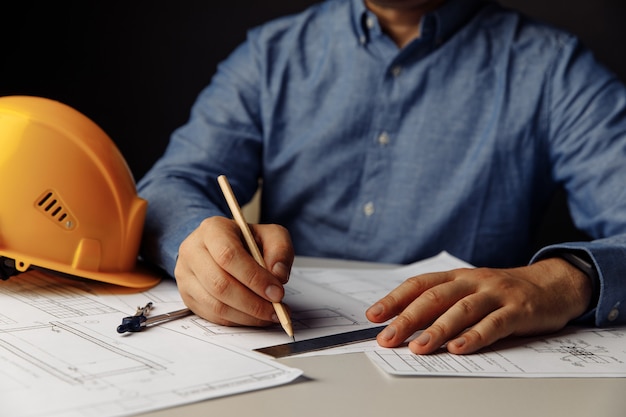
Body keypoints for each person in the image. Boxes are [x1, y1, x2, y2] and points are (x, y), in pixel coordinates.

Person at [137, 0, 626, 355]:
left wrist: (565, 280)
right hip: (292, 348)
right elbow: (170, 184)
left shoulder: (553, 69)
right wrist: (195, 245)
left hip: (459, 360)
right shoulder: (272, 55)